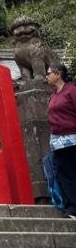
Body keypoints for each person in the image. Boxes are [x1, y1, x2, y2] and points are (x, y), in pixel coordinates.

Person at [46, 63, 76, 218]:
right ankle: (73, 206)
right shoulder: (53, 95)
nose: (47, 76)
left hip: (73, 138)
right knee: (64, 174)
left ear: (58, 74)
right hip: (57, 141)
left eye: (49, 73)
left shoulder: (72, 90)